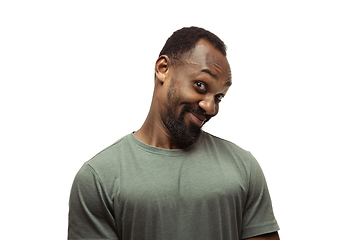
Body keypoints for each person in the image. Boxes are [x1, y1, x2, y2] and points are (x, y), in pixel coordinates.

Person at [68, 26, 280, 240]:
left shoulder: (243, 167)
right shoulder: (98, 178)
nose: (211, 107)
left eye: (219, 97)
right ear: (163, 68)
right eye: (200, 85)